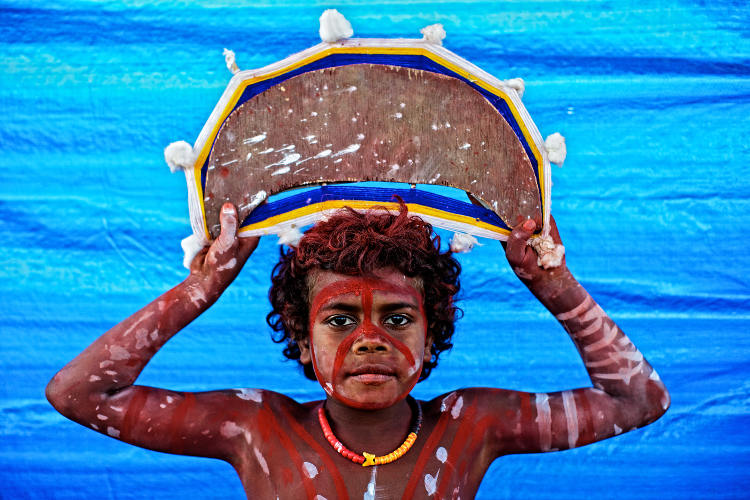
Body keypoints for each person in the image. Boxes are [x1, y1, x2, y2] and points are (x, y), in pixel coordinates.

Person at [46, 201, 669, 499]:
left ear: (432, 335)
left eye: (398, 317)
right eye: (340, 319)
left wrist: (554, 285)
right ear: (302, 340)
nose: (370, 339)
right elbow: (77, 393)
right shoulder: (255, 427)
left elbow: (639, 401)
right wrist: (199, 288)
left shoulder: (472, 423)